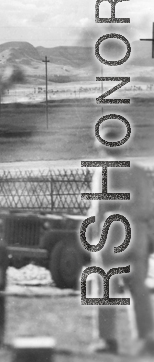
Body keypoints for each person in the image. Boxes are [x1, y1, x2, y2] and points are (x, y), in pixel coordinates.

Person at [87, 131, 154, 356]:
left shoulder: (104, 170)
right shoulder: (139, 171)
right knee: (139, 289)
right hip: (138, 232)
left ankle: (107, 339)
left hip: (113, 232)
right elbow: (148, 206)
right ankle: (146, 338)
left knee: (106, 288)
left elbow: (99, 207)